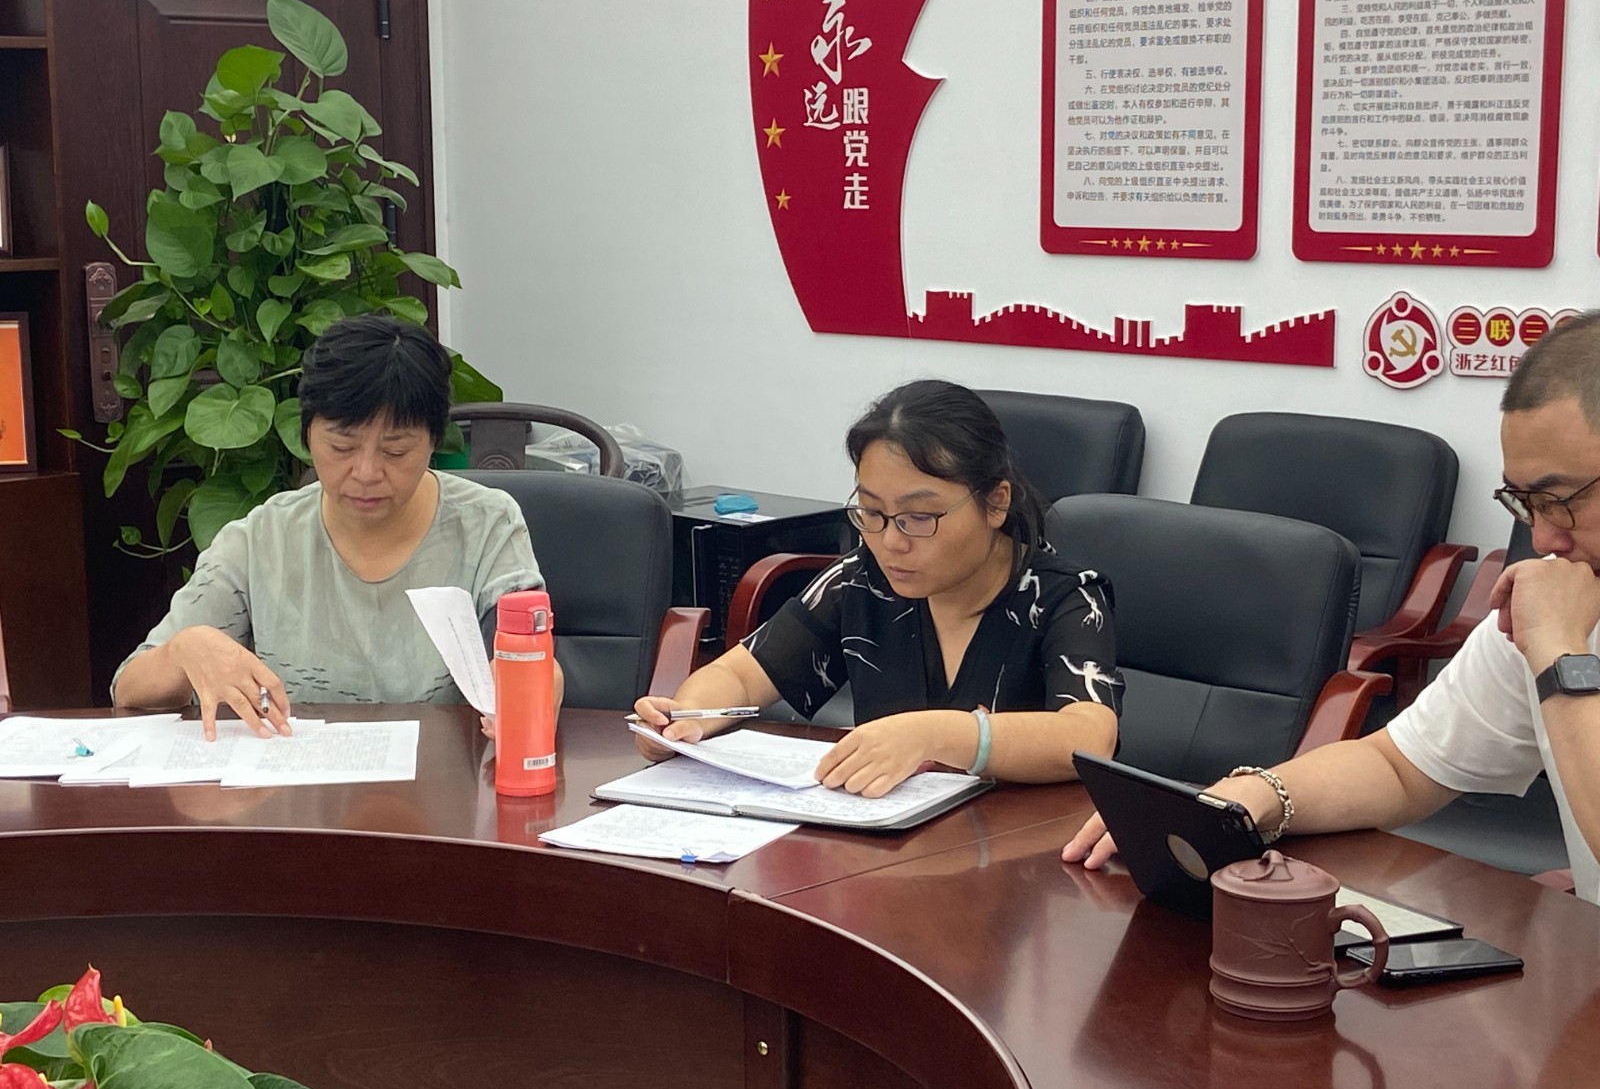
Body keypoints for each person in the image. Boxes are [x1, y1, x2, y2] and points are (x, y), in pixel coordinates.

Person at [1064, 311, 1600, 905]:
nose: (1544, 540)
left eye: (1560, 500)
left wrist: (1562, 656)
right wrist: (1250, 798)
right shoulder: (1552, 605)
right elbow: (1399, 767)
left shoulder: (1555, 629)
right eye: (1524, 503)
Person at [632, 379, 1123, 796]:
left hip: (1020, 856)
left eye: (919, 517)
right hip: (882, 850)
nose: (891, 543)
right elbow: (741, 676)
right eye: (872, 512)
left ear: (995, 503)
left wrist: (936, 734)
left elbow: (1087, 737)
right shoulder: (862, 580)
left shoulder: (1065, 597)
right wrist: (688, 718)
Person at [113, 314, 562, 737]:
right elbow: (128, 690)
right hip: (299, 786)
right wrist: (186, 649)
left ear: (433, 442)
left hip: (443, 782)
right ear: (307, 434)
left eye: (396, 451)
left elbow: (536, 657)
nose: (366, 472)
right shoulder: (262, 539)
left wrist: (526, 697)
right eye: (342, 447)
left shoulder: (487, 524)